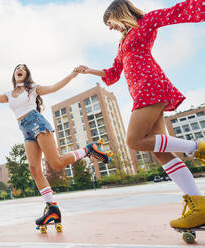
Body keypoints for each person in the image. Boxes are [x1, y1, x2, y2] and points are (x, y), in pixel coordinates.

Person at [77, 0, 205, 230]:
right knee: (160, 152)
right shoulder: (123, 43)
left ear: (119, 14)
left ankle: (197, 147)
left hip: (151, 85)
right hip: (140, 91)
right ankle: (199, 206)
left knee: (134, 140)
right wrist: (89, 70)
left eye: (110, 22)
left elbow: (177, 12)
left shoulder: (145, 23)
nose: (109, 28)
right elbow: (114, 73)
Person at [0, 64, 110, 228]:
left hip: (37, 123)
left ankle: (88, 149)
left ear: (26, 74)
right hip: (25, 130)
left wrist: (72, 75)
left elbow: (54, 87)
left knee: (55, 162)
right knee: (34, 169)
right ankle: (52, 208)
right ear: (14, 74)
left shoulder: (33, 89)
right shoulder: (9, 95)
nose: (20, 69)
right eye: (17, 68)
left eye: (23, 68)